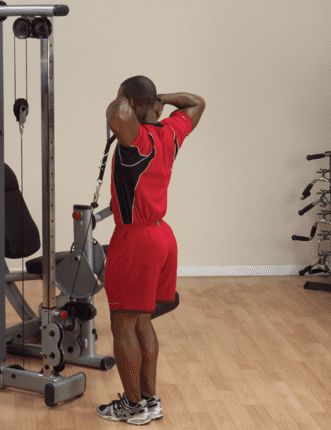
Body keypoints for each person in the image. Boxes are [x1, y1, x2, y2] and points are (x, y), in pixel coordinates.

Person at [97, 75, 206, 425]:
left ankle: (132, 406)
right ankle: (149, 400)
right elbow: (197, 102)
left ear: (133, 101)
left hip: (136, 240)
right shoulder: (170, 132)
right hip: (161, 236)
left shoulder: (139, 139)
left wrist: (133, 98)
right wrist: (160, 99)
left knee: (123, 325)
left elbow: (116, 112)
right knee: (141, 323)